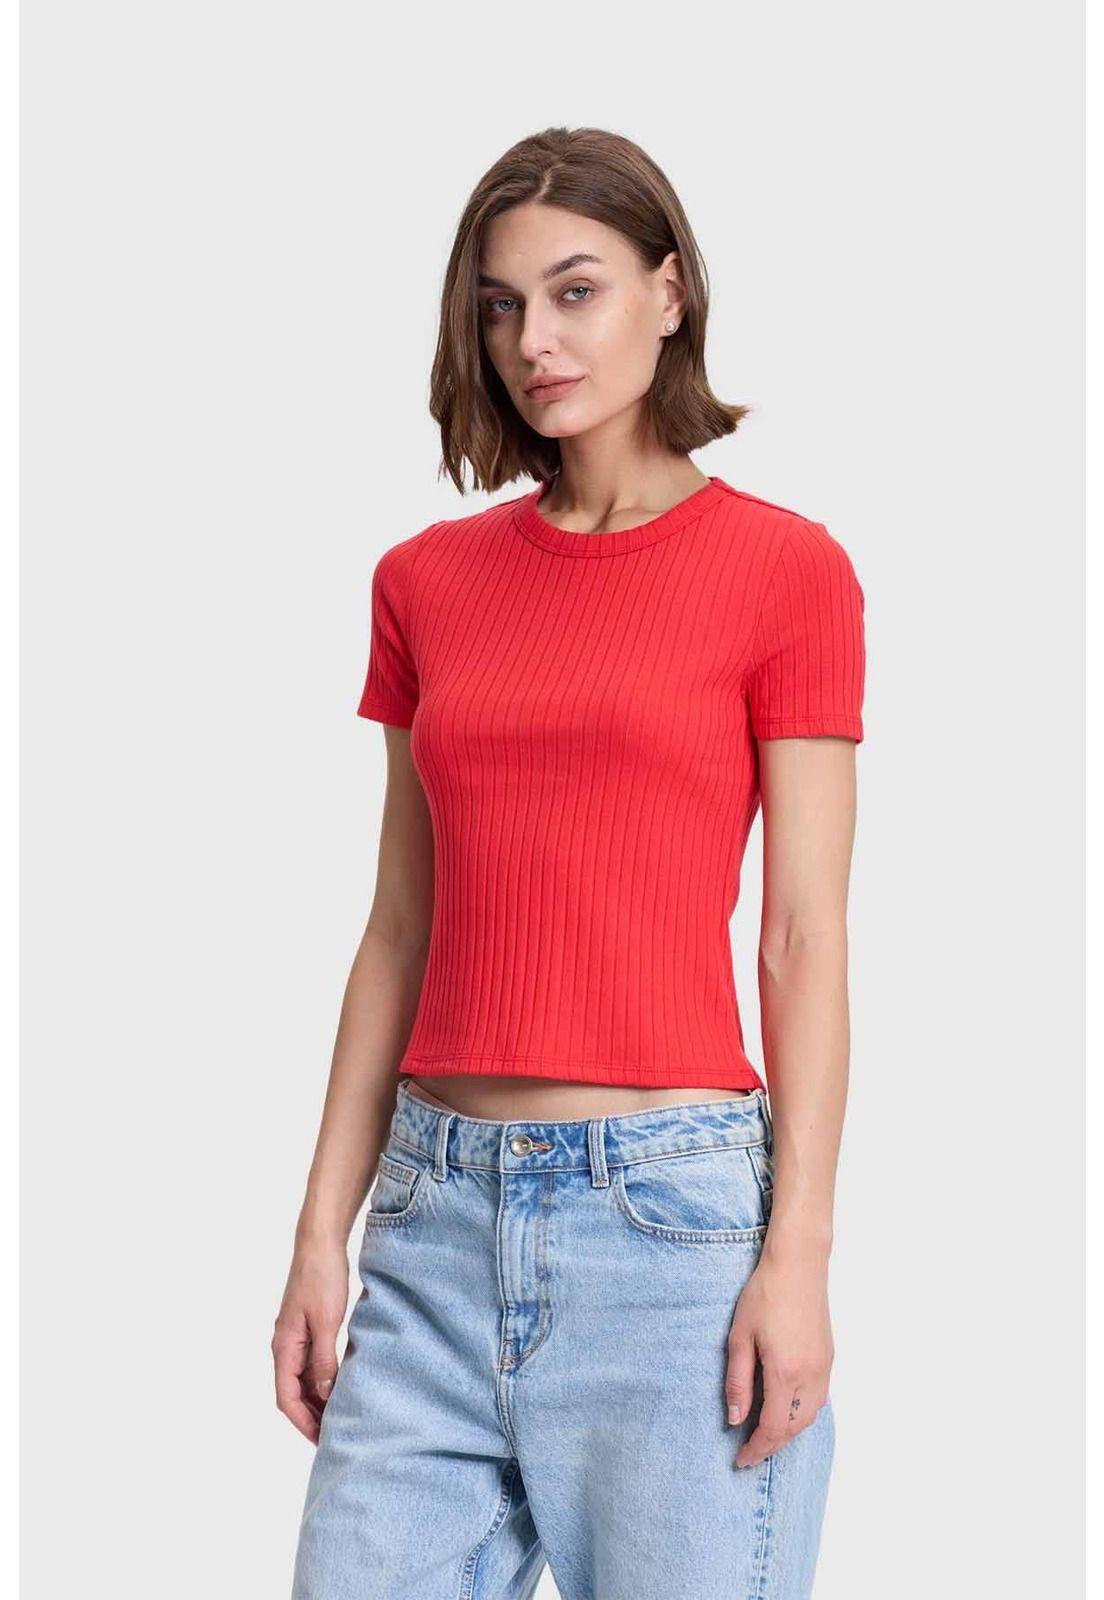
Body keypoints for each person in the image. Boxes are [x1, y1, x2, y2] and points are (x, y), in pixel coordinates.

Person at [275, 125, 866, 1600]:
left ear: (671, 292)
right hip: (430, 1222)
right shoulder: (427, 583)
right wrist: (319, 1235)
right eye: (501, 305)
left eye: (575, 290)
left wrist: (797, 1255)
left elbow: (802, 935)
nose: (533, 340)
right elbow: (398, 930)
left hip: (669, 1237)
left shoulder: (786, 571)